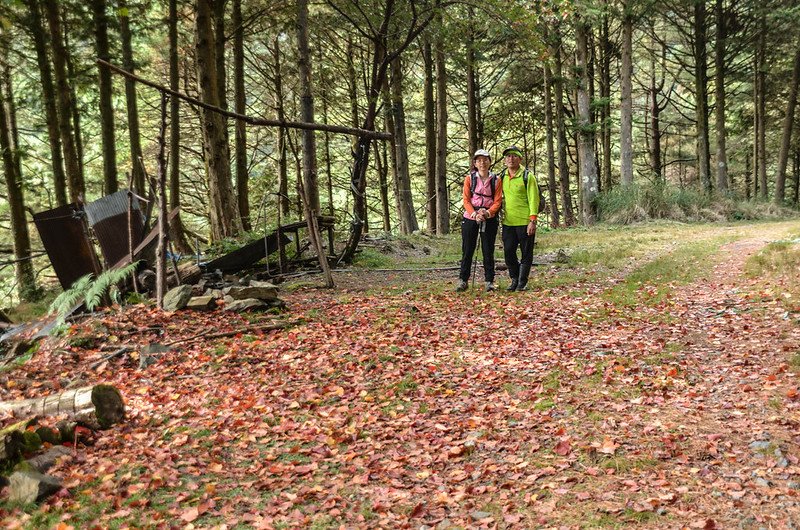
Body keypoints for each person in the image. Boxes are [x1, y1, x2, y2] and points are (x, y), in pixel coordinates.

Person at [456, 149, 503, 292]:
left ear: (490, 161)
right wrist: (474, 214)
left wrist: (488, 213)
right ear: (475, 163)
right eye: (479, 160)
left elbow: (498, 200)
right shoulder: (470, 179)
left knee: (488, 250)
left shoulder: (496, 179)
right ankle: (463, 280)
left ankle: (489, 281)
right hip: (470, 217)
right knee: (467, 249)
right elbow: (466, 199)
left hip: (489, 217)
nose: (482, 163)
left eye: (485, 159)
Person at [500, 145, 540, 291]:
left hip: (525, 221)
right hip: (508, 222)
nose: (511, 159)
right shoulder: (502, 176)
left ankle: (522, 282)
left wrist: (532, 220)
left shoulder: (527, 176)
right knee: (508, 252)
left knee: (526, 253)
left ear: (520, 159)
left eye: (514, 156)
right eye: (508, 156)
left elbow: (533, 199)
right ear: (505, 160)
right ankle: (514, 279)